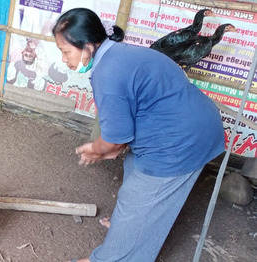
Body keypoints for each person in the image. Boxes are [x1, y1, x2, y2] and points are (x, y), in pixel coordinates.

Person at [52, 8, 225, 262]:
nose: (64, 59)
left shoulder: (107, 73)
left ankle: (113, 253)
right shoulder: (118, 54)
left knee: (136, 197)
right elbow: (120, 136)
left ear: (88, 46)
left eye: (66, 51)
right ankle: (132, 226)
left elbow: (114, 139)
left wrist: (96, 149)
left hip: (184, 139)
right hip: (191, 123)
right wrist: (108, 148)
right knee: (134, 166)